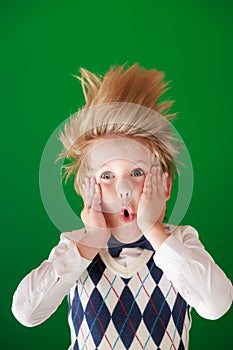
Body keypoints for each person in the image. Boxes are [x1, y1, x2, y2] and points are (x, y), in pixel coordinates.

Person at [12, 64, 232, 350]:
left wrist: (154, 231)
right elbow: (26, 313)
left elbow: (217, 304)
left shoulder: (179, 241)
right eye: (107, 176)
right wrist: (90, 242)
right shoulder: (76, 248)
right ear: (85, 190)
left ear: (164, 187)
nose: (123, 188)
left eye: (137, 173)